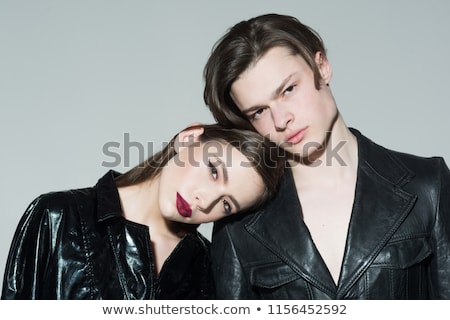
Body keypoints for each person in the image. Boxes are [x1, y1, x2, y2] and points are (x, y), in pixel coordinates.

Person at [203, 13, 450, 299]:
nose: (281, 120)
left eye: (288, 90)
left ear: (322, 67)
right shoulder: (239, 225)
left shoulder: (428, 186)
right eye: (259, 111)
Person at [1, 123, 285, 300]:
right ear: (187, 139)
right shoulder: (57, 216)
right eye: (213, 170)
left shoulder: (209, 271)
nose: (204, 200)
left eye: (226, 204)